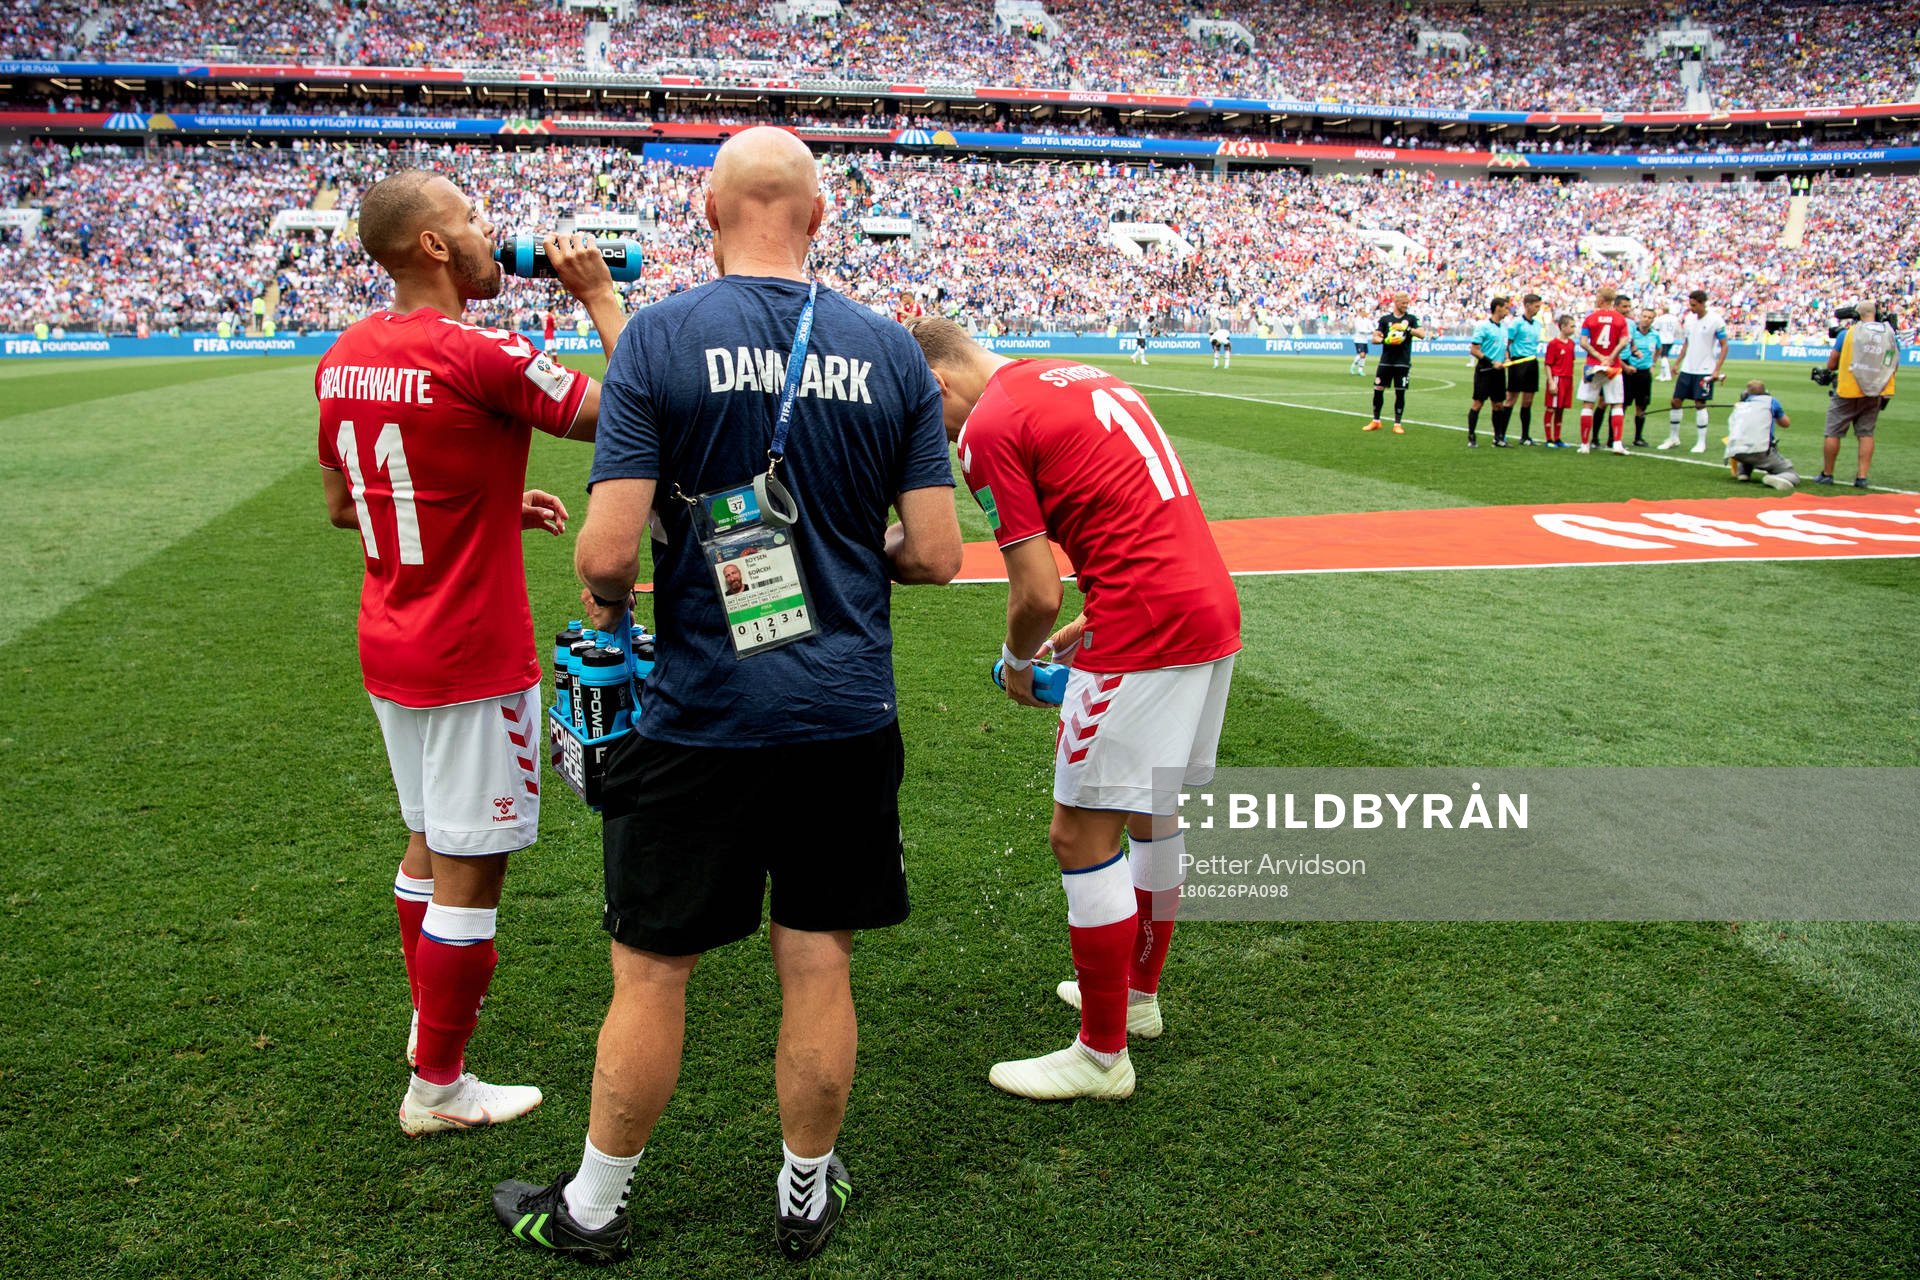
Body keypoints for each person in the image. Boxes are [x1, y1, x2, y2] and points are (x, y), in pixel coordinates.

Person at [492, 127, 962, 1265]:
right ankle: (805, 1193)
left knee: (653, 968)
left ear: (707, 213)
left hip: (700, 711)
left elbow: (606, 557)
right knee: (818, 959)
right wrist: (856, 559)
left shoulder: (659, 336)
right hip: (844, 710)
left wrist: (610, 619)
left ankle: (596, 1205)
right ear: (820, 215)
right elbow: (940, 554)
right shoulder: (893, 352)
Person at [315, 171, 624, 1134]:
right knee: (471, 868)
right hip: (471, 650)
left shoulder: (343, 355)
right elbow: (634, 412)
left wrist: (488, 504)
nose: (497, 237)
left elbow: (344, 507)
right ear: (437, 248)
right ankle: (440, 1085)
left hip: (391, 637)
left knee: (424, 841)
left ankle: (427, 1033)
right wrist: (600, 298)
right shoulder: (483, 351)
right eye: (476, 223)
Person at [905, 315, 1241, 1103]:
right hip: (1204, 606)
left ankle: (1100, 1056)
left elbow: (1035, 590)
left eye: (927, 413)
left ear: (938, 383)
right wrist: (1098, 611)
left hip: (1146, 630)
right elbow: (1133, 518)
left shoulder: (986, 425)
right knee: (1154, 811)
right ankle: (1140, 999)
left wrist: (1020, 663)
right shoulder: (1072, 372)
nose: (934, 430)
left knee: (1080, 834)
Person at [1815, 300, 1899, 488]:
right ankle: (1862, 477)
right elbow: (1893, 363)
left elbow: (1831, 364)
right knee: (1866, 433)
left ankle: (1827, 474)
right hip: (1875, 391)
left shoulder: (1847, 334)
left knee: (1833, 432)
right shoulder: (1889, 334)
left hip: (1848, 389)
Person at [1660, 288, 1727, 453]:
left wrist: (1717, 369)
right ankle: (1673, 437)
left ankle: (1701, 442)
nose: (1692, 308)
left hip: (1705, 369)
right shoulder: (1689, 319)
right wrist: (1677, 363)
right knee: (1675, 401)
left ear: (1703, 303)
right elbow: (1687, 343)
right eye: (1690, 304)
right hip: (1687, 368)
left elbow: (1724, 345)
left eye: (1695, 305)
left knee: (1699, 404)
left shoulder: (1716, 321)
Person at [1576, 285, 1629, 455]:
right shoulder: (1620, 319)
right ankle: (1617, 443)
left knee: (1588, 403)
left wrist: (1599, 357)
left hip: (1592, 365)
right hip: (1612, 366)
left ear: (1601, 299)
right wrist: (1610, 357)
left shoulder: (1590, 318)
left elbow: (1583, 342)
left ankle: (1584, 445)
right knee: (1616, 404)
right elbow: (1624, 341)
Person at [1365, 290, 1425, 434]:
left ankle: (1397, 424)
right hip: (1386, 361)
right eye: (1403, 303)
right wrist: (1385, 340)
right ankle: (1376, 421)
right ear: (1396, 303)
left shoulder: (1411, 319)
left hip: (1402, 361)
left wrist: (1407, 328)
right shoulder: (1385, 320)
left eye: (1407, 303)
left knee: (1400, 393)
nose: (1406, 306)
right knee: (1378, 390)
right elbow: (1374, 338)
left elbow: (1422, 334)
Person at [1726, 378, 1797, 491]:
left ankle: (1743, 472)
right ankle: (1779, 478)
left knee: (1747, 441)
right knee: (1791, 474)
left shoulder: (1740, 405)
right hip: (1760, 452)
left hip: (1735, 451)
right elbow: (1786, 423)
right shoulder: (1771, 401)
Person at [1468, 296, 1512, 448]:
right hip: (1485, 370)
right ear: (1498, 308)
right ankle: (1471, 436)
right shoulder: (1483, 326)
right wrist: (1492, 362)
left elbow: (1505, 349)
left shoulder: (1505, 328)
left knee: (1498, 405)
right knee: (1478, 404)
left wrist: (1506, 359)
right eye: (1506, 307)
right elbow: (1474, 350)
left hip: (1499, 372)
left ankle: (1498, 437)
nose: (1508, 310)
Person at [1502, 292, 1545, 445]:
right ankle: (1501, 434)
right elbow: (1507, 343)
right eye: (1536, 306)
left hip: (1532, 362)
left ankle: (1525, 436)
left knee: (1528, 401)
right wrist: (1507, 358)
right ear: (1527, 305)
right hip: (1518, 362)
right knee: (1511, 399)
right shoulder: (1516, 323)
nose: (1538, 309)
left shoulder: (1537, 324)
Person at [1622, 308, 1661, 447]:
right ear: (1640, 317)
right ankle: (1616, 437)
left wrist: (1653, 363)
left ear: (1653, 320)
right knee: (1623, 404)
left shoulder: (1655, 335)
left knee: (1641, 405)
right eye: (1644, 316)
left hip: (1644, 374)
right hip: (1630, 372)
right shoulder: (1632, 332)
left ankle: (1638, 437)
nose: (1646, 319)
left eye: (1650, 317)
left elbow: (1659, 348)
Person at [1543, 314, 1576, 448]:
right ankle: (1549, 439)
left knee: (1561, 409)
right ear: (1562, 327)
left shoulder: (1571, 344)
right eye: (1572, 326)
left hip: (1568, 379)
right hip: (1557, 378)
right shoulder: (1554, 344)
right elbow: (1548, 364)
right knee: (1551, 407)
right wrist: (1551, 382)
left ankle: (1557, 438)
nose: (1574, 329)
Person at [1653, 305, 1680, 380]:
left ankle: (1667, 375)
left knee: (1664, 356)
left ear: (1663, 311)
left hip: (1663, 339)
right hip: (1671, 339)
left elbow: (1655, 327)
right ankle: (1662, 374)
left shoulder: (1660, 319)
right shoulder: (1674, 318)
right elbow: (1677, 328)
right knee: (1665, 356)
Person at [1350, 309, 1373, 375]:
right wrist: (1369, 331)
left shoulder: (1367, 320)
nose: (1364, 313)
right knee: (1361, 354)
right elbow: (1360, 330)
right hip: (1358, 339)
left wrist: (1375, 332)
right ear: (1360, 312)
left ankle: (1360, 369)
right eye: (1363, 312)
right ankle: (1353, 366)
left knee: (1363, 355)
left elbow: (1371, 328)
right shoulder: (1357, 320)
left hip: (1364, 340)